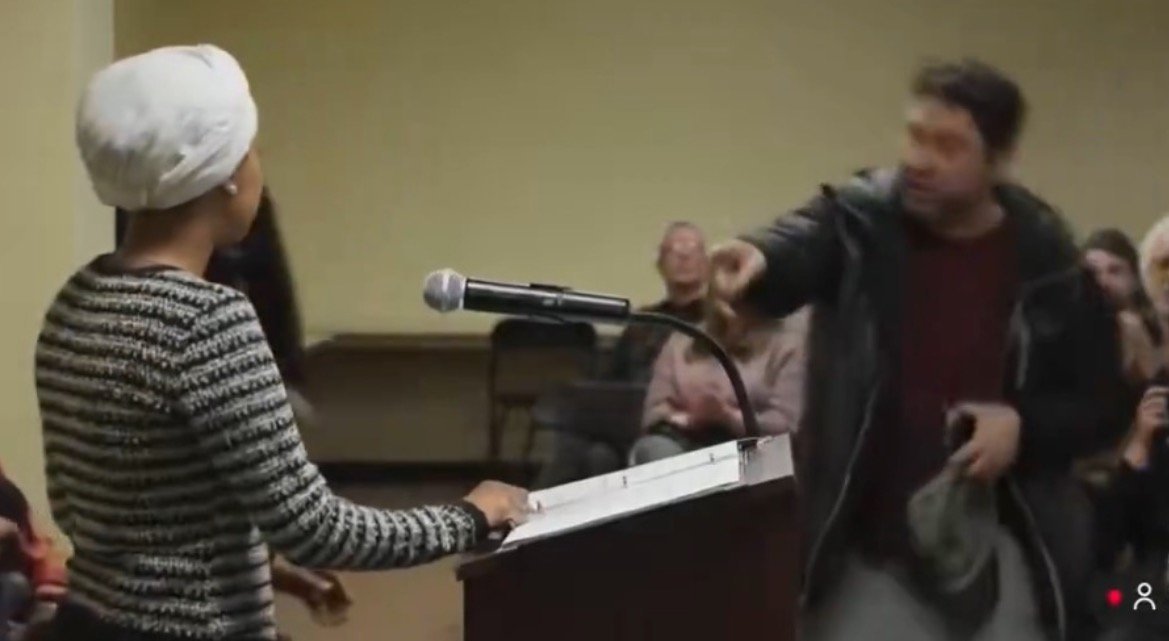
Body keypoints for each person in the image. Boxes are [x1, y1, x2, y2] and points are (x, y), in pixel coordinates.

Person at [39, 44, 528, 641]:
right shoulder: (206, 319)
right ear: (221, 175)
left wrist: (269, 570)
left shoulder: (80, 296)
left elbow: (130, 514)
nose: (258, 165)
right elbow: (318, 529)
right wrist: (471, 515)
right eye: (251, 147)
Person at [708, 60, 1126, 641]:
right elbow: (801, 244)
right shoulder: (862, 223)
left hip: (1003, 542)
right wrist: (760, 260)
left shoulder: (1052, 268)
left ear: (999, 161)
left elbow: (1103, 407)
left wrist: (1022, 429)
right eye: (914, 135)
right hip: (870, 547)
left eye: (948, 145)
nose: (919, 159)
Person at [532, 222, 708, 488]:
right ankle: (536, 514)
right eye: (674, 250)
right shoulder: (643, 322)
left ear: (708, 262)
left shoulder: (719, 320)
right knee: (584, 448)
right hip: (629, 420)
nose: (683, 257)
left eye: (692, 250)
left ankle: (528, 512)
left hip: (682, 424)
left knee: (592, 453)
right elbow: (608, 383)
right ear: (660, 264)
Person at [629, 303, 807, 464]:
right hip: (683, 445)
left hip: (753, 451)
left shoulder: (787, 343)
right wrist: (689, 419)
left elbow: (787, 425)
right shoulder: (682, 339)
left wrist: (728, 417)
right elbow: (654, 413)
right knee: (654, 448)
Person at [1084, 229, 1165, 383]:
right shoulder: (1076, 333)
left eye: (1114, 271)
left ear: (1136, 277)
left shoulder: (1158, 328)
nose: (1103, 282)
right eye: (1093, 273)